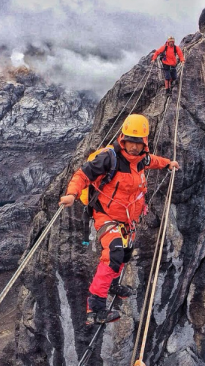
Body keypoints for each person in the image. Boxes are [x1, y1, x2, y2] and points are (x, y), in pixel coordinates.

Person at [59, 114, 180, 325]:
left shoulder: (142, 159)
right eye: (130, 142)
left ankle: (113, 283)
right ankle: (95, 308)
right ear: (122, 138)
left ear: (144, 143)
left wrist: (169, 164)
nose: (133, 147)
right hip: (106, 215)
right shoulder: (109, 157)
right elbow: (83, 175)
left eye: (138, 143)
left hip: (127, 220)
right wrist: (72, 194)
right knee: (113, 252)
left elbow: (154, 161)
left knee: (124, 255)